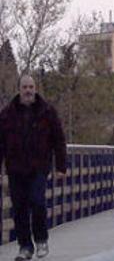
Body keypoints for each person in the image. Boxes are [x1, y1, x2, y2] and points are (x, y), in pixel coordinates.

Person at [0, 75, 66, 260]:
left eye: (31, 87)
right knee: (19, 207)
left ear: (35, 88)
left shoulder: (47, 112)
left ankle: (41, 239)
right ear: (19, 89)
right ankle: (25, 246)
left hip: (39, 166)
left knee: (37, 201)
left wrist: (61, 166)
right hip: (16, 168)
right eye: (25, 87)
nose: (28, 90)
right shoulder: (7, 114)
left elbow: (59, 140)